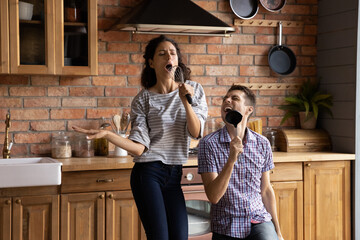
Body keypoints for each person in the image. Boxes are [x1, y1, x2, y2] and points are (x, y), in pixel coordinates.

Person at [73, 35, 208, 240]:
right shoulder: (143, 99)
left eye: (172, 53)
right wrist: (108, 134)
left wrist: (185, 101)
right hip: (148, 173)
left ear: (177, 61)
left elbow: (196, 132)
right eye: (161, 54)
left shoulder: (194, 90)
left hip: (174, 175)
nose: (168, 57)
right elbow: (138, 148)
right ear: (152, 63)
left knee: (180, 236)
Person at [197, 85, 284, 240]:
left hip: (258, 221)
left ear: (248, 110)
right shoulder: (208, 144)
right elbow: (214, 196)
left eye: (234, 98)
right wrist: (231, 159)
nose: (227, 101)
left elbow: (266, 190)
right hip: (226, 225)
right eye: (225, 99)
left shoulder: (262, 143)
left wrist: (277, 231)